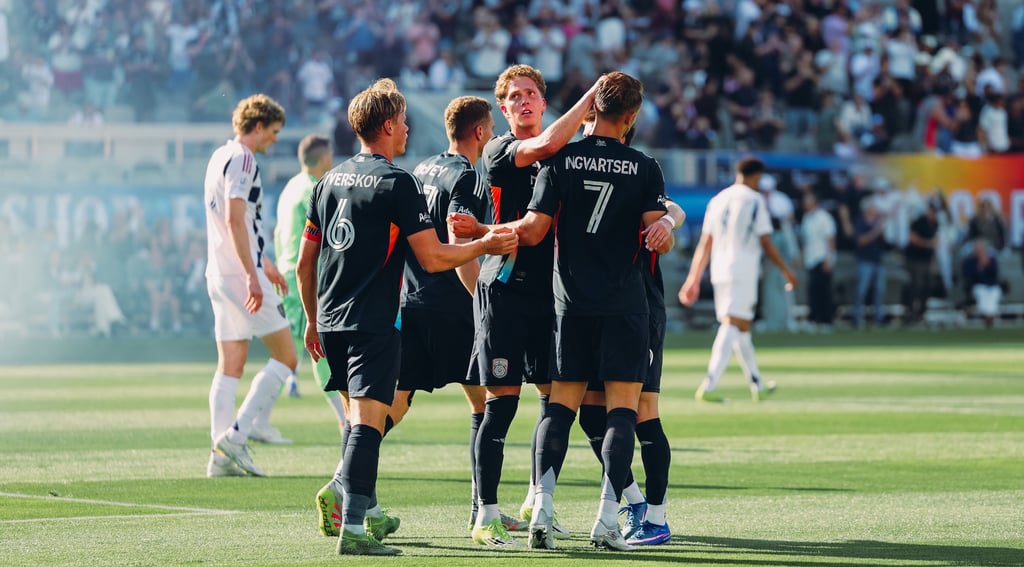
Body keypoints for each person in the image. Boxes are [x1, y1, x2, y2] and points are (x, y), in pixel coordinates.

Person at [295, 78, 517, 556]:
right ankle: (356, 527)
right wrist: (487, 243)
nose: (408, 128)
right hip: (377, 321)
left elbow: (304, 264)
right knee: (369, 424)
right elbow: (435, 257)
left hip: (332, 320)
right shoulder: (398, 182)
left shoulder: (328, 181)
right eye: (403, 120)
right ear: (388, 125)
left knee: (373, 416)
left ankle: (366, 508)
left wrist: (312, 320)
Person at [487, 71, 671, 552]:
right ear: (631, 116)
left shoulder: (560, 159)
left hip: (568, 306)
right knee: (621, 413)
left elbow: (532, 231)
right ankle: (607, 519)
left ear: (593, 109)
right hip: (624, 307)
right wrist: (667, 228)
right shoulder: (645, 167)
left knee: (560, 408)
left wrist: (482, 235)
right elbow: (660, 235)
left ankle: (542, 508)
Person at [450, 64, 600, 547]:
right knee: (500, 406)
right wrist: (591, 97)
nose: (524, 100)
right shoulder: (500, 150)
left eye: (531, 93)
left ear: (542, 101)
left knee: (552, 400)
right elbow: (547, 144)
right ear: (503, 108)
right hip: (506, 291)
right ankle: (485, 514)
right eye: (514, 96)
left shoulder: (563, 158)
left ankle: (538, 502)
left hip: (551, 294)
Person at [385, 96, 507, 533]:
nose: (493, 135)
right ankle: (482, 509)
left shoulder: (421, 169)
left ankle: (345, 481)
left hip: (413, 301)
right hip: (454, 307)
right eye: (491, 128)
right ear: (479, 131)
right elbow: (460, 243)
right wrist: (480, 301)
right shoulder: (469, 177)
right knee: (488, 402)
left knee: (395, 404)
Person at [574, 111, 683, 547]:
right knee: (590, 415)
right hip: (591, 309)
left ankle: (656, 517)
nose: (586, 133)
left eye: (590, 125)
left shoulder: (638, 176)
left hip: (639, 309)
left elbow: (671, 209)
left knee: (643, 412)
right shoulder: (579, 173)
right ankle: (634, 500)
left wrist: (667, 222)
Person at [203, 94, 297, 478]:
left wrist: (266, 265)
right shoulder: (243, 158)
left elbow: (239, 224)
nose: (274, 139)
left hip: (219, 273)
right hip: (241, 276)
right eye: (273, 131)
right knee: (287, 357)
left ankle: (219, 458)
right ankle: (236, 437)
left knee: (231, 366)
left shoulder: (218, 156)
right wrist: (252, 275)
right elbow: (234, 218)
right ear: (258, 127)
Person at [678, 157, 797, 402]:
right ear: (756, 176)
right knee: (731, 324)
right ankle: (709, 385)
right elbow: (766, 241)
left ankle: (757, 384)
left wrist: (693, 278)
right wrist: (786, 269)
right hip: (743, 269)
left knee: (741, 327)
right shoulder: (754, 200)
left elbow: (705, 243)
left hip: (720, 269)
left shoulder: (717, 200)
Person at [272, 134, 347, 451]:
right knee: (316, 350)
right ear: (325, 157)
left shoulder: (291, 187)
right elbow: (327, 240)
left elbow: (279, 233)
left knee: (288, 352)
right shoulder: (313, 191)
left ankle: (257, 419)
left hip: (287, 273)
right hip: (304, 278)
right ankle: (345, 421)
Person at [800, 191, 837, 331]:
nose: (805, 204)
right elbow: (805, 240)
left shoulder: (824, 217)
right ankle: (814, 319)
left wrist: (829, 259)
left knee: (824, 291)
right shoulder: (806, 218)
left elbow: (830, 239)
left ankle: (827, 321)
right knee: (813, 291)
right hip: (810, 259)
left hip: (822, 258)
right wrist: (803, 256)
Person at [852, 198, 888, 329]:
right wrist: (875, 231)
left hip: (878, 260)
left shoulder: (878, 222)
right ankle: (857, 318)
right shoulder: (860, 221)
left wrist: (882, 232)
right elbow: (861, 241)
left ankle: (878, 318)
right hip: (865, 261)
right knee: (861, 291)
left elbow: (885, 242)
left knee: (879, 291)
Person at [904, 203, 939, 324]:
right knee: (917, 285)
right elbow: (912, 238)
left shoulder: (935, 224)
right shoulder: (919, 222)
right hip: (915, 259)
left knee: (928, 286)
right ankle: (911, 311)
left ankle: (921, 312)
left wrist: (933, 261)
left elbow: (935, 244)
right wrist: (927, 243)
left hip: (926, 260)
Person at [962, 238, 1001, 328]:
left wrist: (986, 265)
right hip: (979, 286)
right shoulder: (969, 261)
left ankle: (989, 315)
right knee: (982, 295)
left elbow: (995, 274)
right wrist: (979, 268)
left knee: (994, 294)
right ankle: (988, 316)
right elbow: (969, 276)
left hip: (992, 286)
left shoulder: (991, 260)